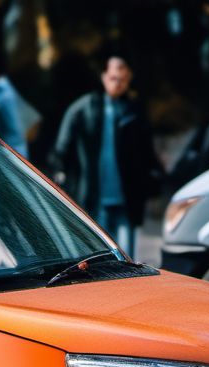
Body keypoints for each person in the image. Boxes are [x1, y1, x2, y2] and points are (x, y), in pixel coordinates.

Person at [51, 56, 164, 258]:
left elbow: (146, 150)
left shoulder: (134, 110)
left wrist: (154, 177)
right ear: (104, 77)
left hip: (127, 198)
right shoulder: (84, 108)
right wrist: (62, 176)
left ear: (129, 79)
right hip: (94, 197)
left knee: (126, 258)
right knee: (96, 257)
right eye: (113, 78)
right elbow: (61, 147)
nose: (117, 83)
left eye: (123, 79)